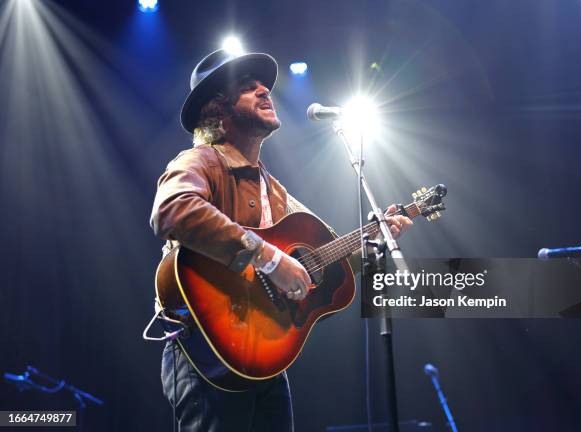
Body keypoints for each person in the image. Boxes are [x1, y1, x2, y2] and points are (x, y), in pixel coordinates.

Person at [150, 49, 412, 432]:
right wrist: (269, 258)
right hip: (204, 353)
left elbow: (318, 263)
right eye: (247, 86)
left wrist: (374, 238)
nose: (263, 90)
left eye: (264, 85)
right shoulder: (201, 161)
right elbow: (171, 210)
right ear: (217, 109)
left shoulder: (274, 190)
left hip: (265, 355)